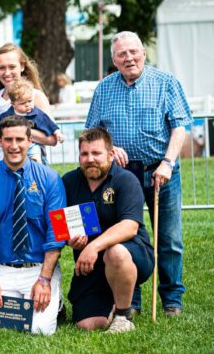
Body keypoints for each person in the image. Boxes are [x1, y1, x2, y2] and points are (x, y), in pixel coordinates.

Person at [85, 31, 192, 317]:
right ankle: (130, 300)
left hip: (162, 169)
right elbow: (93, 132)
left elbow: (179, 127)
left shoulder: (166, 82)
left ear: (143, 53)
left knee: (168, 238)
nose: (129, 57)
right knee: (126, 237)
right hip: (121, 176)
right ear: (114, 60)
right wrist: (111, 147)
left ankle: (171, 300)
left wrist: (168, 163)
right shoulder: (104, 89)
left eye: (134, 52)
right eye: (122, 54)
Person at [0, 115, 66, 335]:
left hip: (39, 269)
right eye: (8, 140)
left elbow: (56, 234)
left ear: (30, 140)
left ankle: (55, 300)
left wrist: (44, 279)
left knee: (39, 330)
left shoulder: (51, 179)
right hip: (3, 270)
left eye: (20, 140)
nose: (14, 146)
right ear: (0, 141)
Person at [63, 127, 154, 333]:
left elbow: (130, 227)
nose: (90, 159)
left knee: (116, 252)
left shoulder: (126, 180)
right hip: (91, 265)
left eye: (96, 153)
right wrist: (71, 240)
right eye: (84, 154)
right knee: (88, 325)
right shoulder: (69, 181)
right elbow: (63, 225)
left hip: (132, 253)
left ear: (111, 154)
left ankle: (123, 316)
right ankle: (117, 299)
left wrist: (93, 246)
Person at [0, 43, 53, 163]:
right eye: (2, 68)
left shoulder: (35, 96)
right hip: (2, 168)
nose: (7, 73)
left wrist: (17, 130)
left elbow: (52, 139)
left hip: (31, 165)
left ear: (22, 66)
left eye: (12, 67)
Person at [0, 78, 64, 163]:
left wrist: (57, 133)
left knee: (35, 152)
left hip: (32, 144)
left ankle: (35, 162)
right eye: (23, 103)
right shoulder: (9, 114)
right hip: (16, 146)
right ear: (13, 104)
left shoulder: (36, 113)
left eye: (30, 101)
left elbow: (49, 124)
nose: (28, 105)